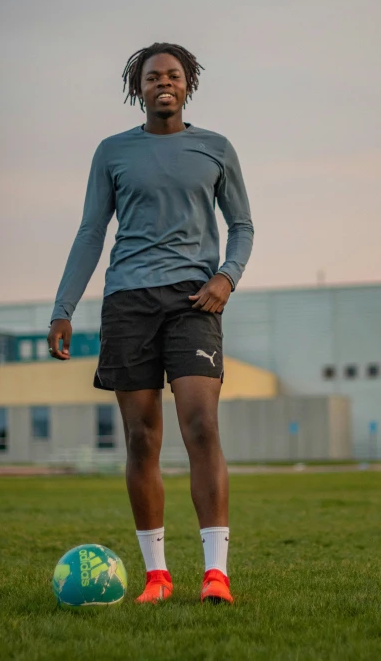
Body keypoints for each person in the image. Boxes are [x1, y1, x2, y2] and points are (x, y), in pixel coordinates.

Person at [47, 42, 254, 605]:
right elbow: (92, 231)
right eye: (151, 77)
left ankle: (216, 574)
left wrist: (226, 278)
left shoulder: (215, 149)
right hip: (128, 303)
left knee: (201, 426)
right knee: (143, 439)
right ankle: (157, 576)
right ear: (136, 88)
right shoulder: (113, 152)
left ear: (189, 84)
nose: (163, 83)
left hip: (194, 301)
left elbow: (242, 226)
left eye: (173, 75)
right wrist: (64, 308)